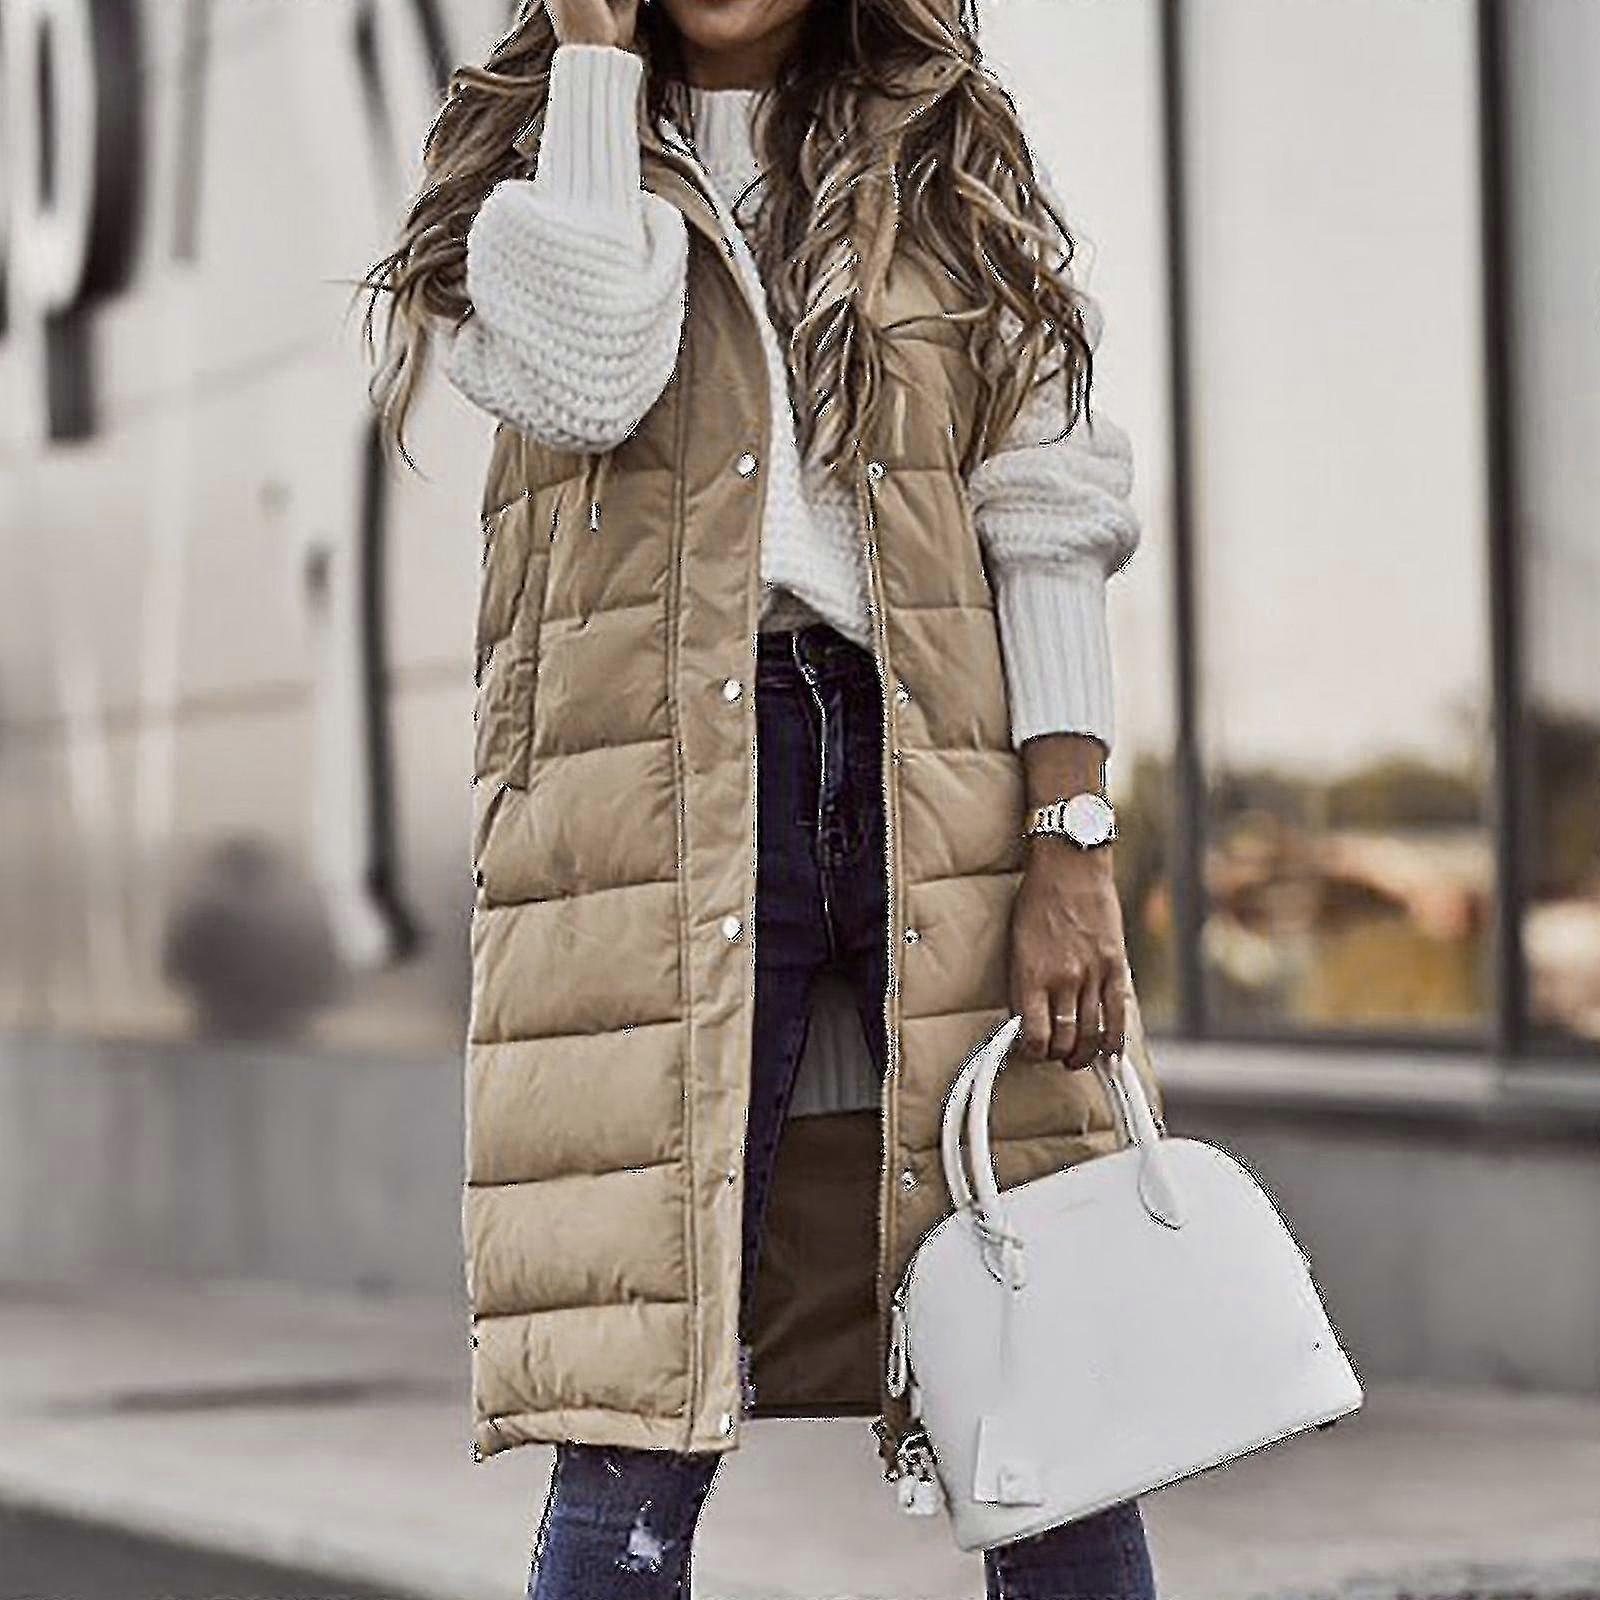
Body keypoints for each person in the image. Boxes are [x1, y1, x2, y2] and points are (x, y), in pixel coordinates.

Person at [359, 0, 1167, 1593]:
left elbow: (1048, 510)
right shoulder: (522, 185)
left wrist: (1071, 832)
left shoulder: (948, 170)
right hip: (660, 801)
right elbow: (591, 379)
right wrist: (594, 71)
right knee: (639, 1376)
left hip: (932, 771)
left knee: (1046, 1358)